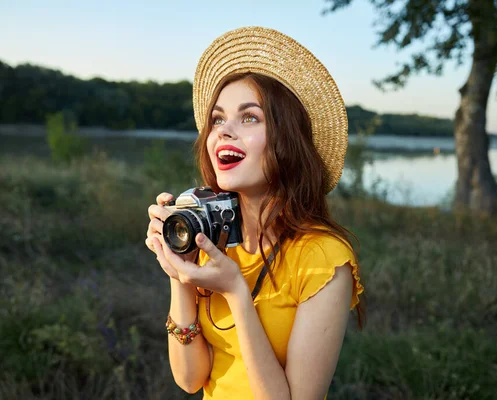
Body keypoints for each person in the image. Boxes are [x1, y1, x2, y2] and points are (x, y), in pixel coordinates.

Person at [146, 26, 365, 399]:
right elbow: (189, 379)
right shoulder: (212, 235)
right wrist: (179, 272)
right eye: (217, 119)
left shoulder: (322, 260)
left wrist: (235, 291)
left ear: (287, 141)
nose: (223, 132)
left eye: (249, 118)